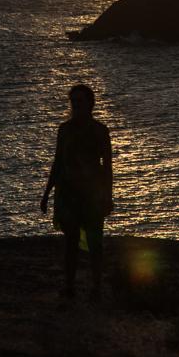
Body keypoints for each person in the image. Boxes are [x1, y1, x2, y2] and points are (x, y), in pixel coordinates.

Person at [41, 84, 113, 300]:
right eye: (73, 102)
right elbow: (58, 163)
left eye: (80, 102)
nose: (76, 106)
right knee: (70, 242)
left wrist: (108, 197)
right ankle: (70, 286)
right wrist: (46, 193)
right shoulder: (64, 130)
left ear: (90, 104)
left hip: (92, 194)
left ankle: (96, 287)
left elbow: (107, 168)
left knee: (94, 242)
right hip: (68, 194)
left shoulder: (101, 131)